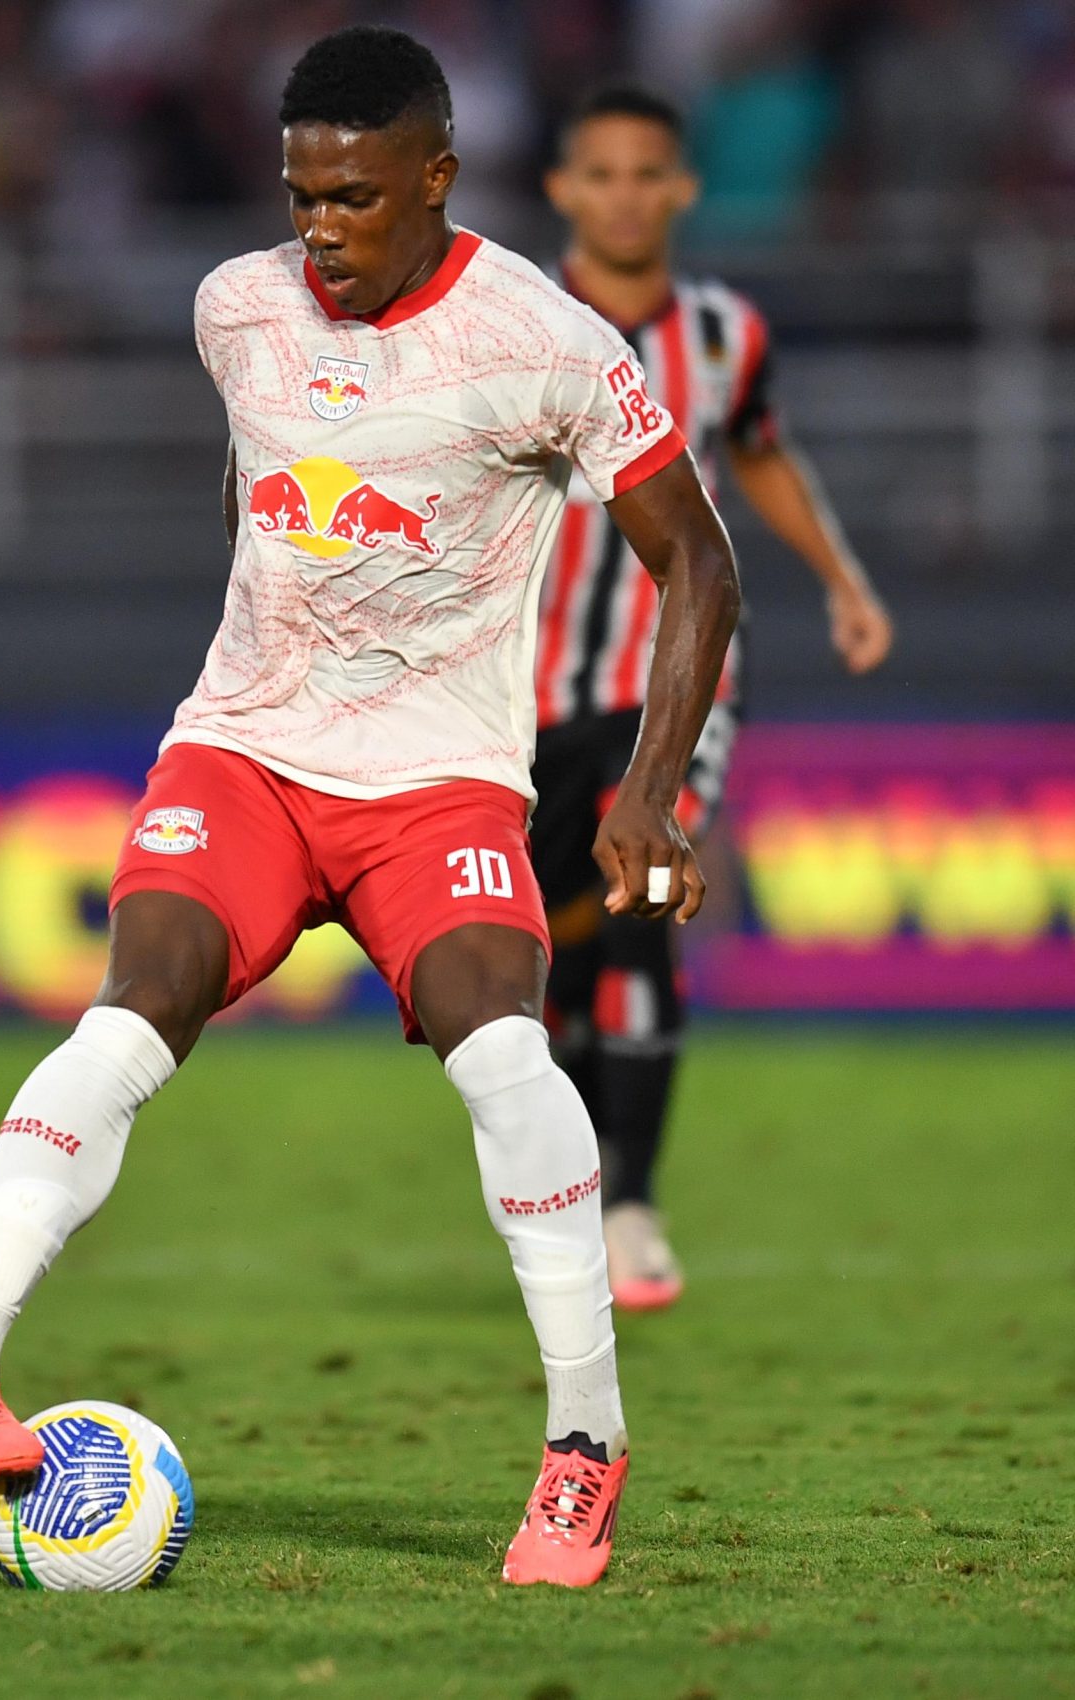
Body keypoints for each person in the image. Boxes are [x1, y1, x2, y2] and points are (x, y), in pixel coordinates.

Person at [0, 27, 742, 1589]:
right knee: (133, 1013)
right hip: (249, 753)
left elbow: (701, 559)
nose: (320, 233)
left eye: (354, 199)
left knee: (504, 1050)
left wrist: (647, 795)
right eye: (301, 198)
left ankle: (583, 1453)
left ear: (436, 177)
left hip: (439, 783)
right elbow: (267, 479)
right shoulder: (235, 308)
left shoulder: (543, 342)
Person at [535, 85, 892, 1312]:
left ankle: (627, 1202)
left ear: (681, 189)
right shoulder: (510, 322)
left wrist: (840, 576)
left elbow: (758, 450)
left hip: (673, 689)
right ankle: (577, 1190)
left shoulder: (725, 332)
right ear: (562, 191)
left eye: (649, 173)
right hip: (515, 695)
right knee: (551, 961)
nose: (627, 194)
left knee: (639, 911)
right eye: (603, 172)